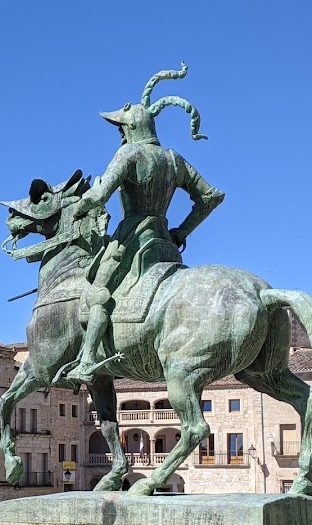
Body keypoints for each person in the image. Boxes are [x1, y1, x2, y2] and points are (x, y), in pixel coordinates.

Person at [64, 63, 224, 385]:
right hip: (165, 241)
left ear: (130, 129)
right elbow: (211, 197)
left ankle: (88, 359)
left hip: (131, 239)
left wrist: (78, 210)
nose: (120, 134)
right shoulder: (174, 159)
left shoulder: (128, 154)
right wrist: (182, 230)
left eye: (120, 129)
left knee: (98, 291)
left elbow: (99, 196)